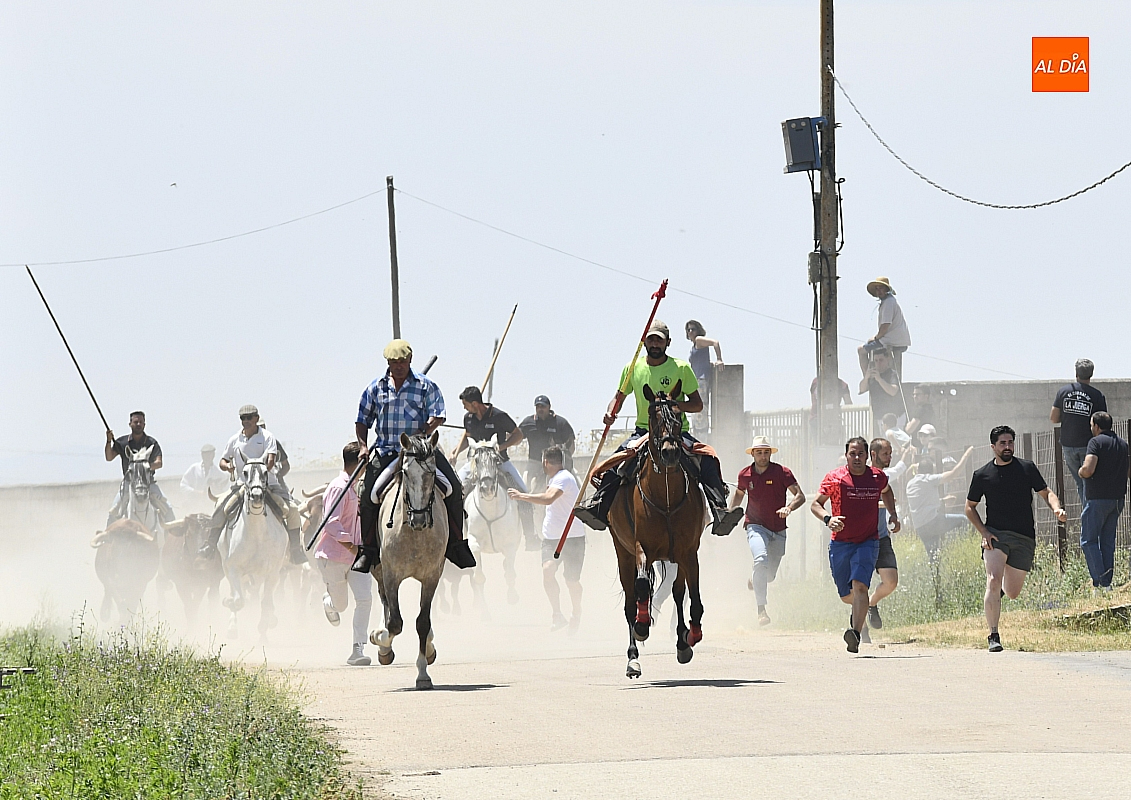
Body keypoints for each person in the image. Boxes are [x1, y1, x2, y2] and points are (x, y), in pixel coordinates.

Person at [573, 319, 744, 536]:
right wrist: (610, 412)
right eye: (651, 339)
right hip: (643, 432)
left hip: (676, 433)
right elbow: (618, 397)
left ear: (668, 342)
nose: (655, 344)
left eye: (659, 340)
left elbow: (697, 405)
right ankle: (599, 506)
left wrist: (676, 406)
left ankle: (719, 510)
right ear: (644, 342)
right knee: (616, 463)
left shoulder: (681, 368)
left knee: (708, 459)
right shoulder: (632, 368)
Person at [353, 339, 475, 573]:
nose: (399, 366)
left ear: (410, 360)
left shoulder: (425, 386)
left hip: (421, 452)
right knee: (368, 494)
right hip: (387, 451)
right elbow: (362, 420)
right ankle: (367, 550)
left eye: (403, 361)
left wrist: (425, 429)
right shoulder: (375, 388)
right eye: (394, 362)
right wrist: (363, 447)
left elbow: (438, 414)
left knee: (454, 488)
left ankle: (457, 544)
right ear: (388, 362)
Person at [965, 425, 1066, 652]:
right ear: (993, 447)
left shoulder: (1026, 468)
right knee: (993, 579)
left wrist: (1056, 508)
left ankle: (996, 595)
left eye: (1010, 442)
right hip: (996, 535)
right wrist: (984, 532)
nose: (1007, 446)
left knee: (1012, 592)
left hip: (1024, 536)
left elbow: (1047, 492)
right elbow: (969, 507)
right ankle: (993, 635)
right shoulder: (982, 475)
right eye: (1002, 443)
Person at [811, 437, 899, 653]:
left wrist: (893, 514)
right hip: (841, 543)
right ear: (846, 456)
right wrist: (828, 519)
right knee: (845, 595)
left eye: (861, 454)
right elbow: (816, 504)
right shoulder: (835, 478)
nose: (857, 458)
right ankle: (860, 612)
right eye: (853, 453)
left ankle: (856, 634)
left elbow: (887, 491)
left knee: (860, 586)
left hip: (868, 542)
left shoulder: (877, 477)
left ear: (868, 456)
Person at [198, 405, 306, 565]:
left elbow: (271, 459)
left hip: (268, 484)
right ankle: (210, 545)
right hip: (242, 485)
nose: (246, 421)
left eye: (249, 417)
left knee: (293, 510)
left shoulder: (268, 437)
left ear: (256, 418)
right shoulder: (234, 440)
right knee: (221, 506)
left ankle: (296, 550)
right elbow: (223, 460)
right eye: (243, 418)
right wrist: (228, 466)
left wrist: (260, 475)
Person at [729, 436, 805, 627]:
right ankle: (761, 610)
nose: (763, 456)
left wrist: (789, 508)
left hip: (778, 529)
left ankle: (755, 578)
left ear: (770, 453)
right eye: (759, 452)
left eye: (766, 452)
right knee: (761, 559)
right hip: (755, 525)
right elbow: (738, 495)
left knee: (769, 576)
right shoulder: (745, 475)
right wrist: (729, 514)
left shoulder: (782, 472)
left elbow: (800, 496)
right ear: (753, 454)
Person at [509, 445, 585, 632]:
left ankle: (576, 611)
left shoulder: (564, 478)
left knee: (571, 581)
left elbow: (548, 499)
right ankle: (557, 614)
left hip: (572, 537)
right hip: (551, 538)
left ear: (545, 462)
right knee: (548, 570)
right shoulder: (554, 478)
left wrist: (521, 496)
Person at [314, 442, 373, 666]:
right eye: (365, 462)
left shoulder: (356, 486)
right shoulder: (339, 488)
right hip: (334, 557)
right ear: (358, 462)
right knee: (341, 606)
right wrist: (352, 547)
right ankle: (329, 602)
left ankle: (358, 649)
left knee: (365, 599)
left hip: (356, 557)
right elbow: (331, 523)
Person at [453, 386, 535, 538]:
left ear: (475, 404)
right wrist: (456, 452)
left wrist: (502, 446)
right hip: (475, 463)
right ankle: (456, 537)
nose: (464, 407)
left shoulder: (499, 416)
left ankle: (530, 536)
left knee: (523, 494)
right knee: (454, 491)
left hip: (500, 462)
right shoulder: (468, 418)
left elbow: (518, 435)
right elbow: (467, 437)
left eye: (465, 404)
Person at [865, 437, 913, 636]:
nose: (889, 457)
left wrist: (894, 514)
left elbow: (888, 493)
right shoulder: (861, 476)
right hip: (861, 539)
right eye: (885, 454)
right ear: (873, 454)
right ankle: (859, 628)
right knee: (859, 585)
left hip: (881, 537)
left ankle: (870, 604)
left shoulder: (884, 476)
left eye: (890, 453)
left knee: (891, 581)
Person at [1077, 412, 1128, 590]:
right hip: (1117, 500)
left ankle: (1100, 582)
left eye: (1092, 425)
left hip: (1098, 500)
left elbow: (1088, 469)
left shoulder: (1095, 442)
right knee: (1107, 542)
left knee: (1088, 540)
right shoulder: (1123, 444)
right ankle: (1107, 583)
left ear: (1097, 426)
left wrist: (1081, 471)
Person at [1051, 358, 1107, 505]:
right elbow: (1102, 422)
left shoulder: (1063, 392)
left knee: (1080, 482)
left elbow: (1053, 418)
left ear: (1076, 373)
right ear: (1091, 374)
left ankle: (1087, 512)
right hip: (1089, 446)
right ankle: (1090, 513)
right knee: (1089, 481)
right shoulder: (1097, 395)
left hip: (1068, 445)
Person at [104, 411, 174, 527]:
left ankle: (173, 534)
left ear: (144, 424)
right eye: (136, 422)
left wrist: (143, 467)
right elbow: (109, 457)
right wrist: (109, 441)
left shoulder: (152, 442)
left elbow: (159, 463)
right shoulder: (122, 442)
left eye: (141, 422)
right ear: (130, 424)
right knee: (114, 511)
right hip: (128, 483)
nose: (138, 424)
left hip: (148, 483)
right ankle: (108, 536)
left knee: (167, 507)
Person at [906, 448, 974, 559]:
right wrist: (966, 455)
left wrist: (942, 500)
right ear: (931, 470)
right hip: (933, 522)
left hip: (920, 527)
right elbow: (953, 473)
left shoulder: (910, 484)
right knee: (964, 520)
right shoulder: (929, 479)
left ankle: (935, 570)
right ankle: (961, 548)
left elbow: (923, 502)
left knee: (934, 558)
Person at [858, 277, 911, 377]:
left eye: (881, 288)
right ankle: (874, 377)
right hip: (896, 339)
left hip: (891, 340)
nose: (879, 291)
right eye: (877, 289)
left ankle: (867, 378)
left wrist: (875, 338)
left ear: (887, 289)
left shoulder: (888, 302)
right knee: (872, 349)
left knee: (861, 350)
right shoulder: (889, 301)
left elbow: (885, 326)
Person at [518, 395, 576, 474]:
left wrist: (565, 460)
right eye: (538, 407)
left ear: (549, 407)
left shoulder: (560, 423)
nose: (540, 409)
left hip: (557, 464)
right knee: (525, 479)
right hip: (535, 462)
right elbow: (517, 436)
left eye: (543, 406)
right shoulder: (528, 422)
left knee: (574, 478)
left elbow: (571, 443)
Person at [859, 348, 905, 436]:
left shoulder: (892, 374)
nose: (878, 363)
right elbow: (862, 389)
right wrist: (866, 377)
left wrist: (879, 379)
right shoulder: (871, 376)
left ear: (887, 359)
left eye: (881, 360)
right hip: (881, 417)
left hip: (895, 417)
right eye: (876, 360)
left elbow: (893, 391)